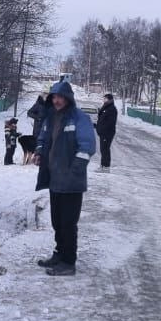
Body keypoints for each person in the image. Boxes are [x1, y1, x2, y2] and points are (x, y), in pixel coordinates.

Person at [31, 80, 96, 276]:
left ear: (68, 98)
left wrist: (74, 169)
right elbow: (43, 138)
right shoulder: (51, 117)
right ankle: (59, 254)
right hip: (55, 178)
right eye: (54, 97)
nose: (57, 100)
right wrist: (40, 152)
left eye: (60, 97)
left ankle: (69, 262)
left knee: (68, 223)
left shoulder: (79, 118)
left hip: (71, 181)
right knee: (57, 221)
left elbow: (87, 146)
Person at [95, 93, 117, 170]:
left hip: (107, 133)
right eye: (104, 98)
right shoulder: (105, 107)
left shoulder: (111, 109)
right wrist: (97, 126)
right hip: (103, 132)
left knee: (105, 149)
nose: (104, 100)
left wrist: (103, 129)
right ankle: (102, 165)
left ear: (109, 99)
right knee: (102, 149)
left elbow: (110, 122)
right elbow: (102, 120)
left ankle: (106, 166)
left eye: (105, 98)